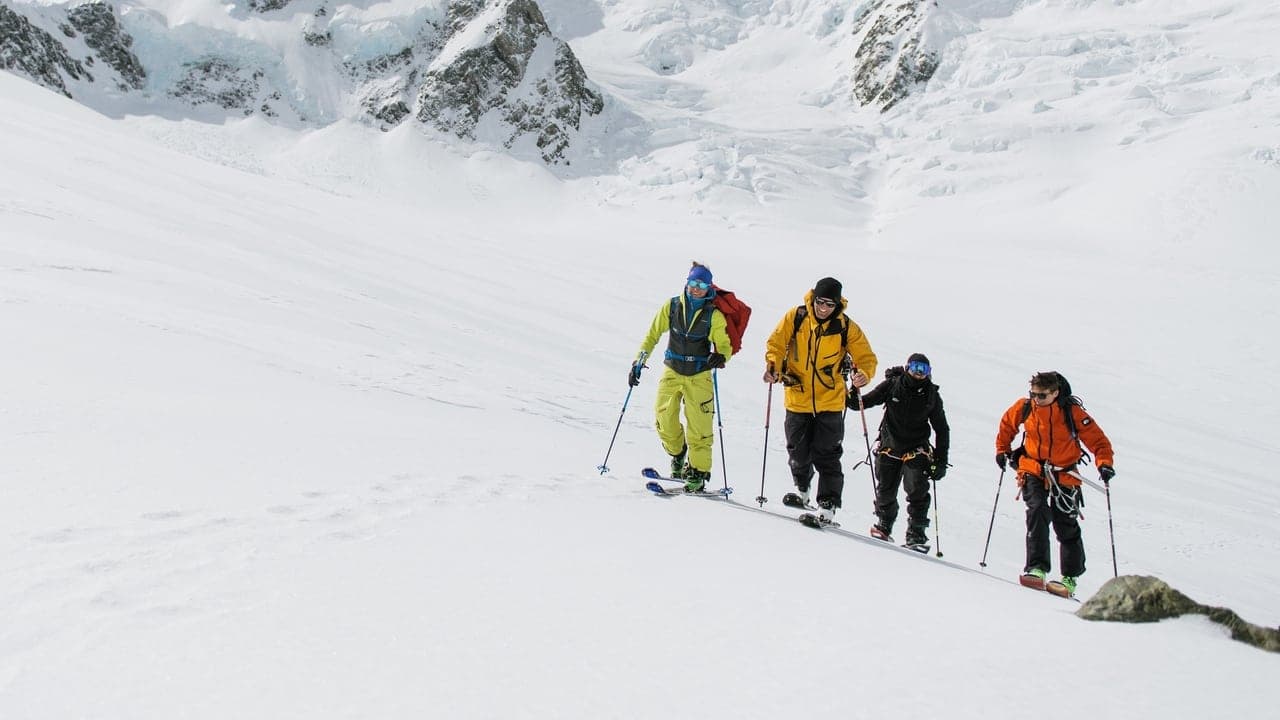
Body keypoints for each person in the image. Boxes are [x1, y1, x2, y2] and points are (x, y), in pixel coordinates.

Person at [763, 277, 877, 525]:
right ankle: (802, 490)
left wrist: (864, 375)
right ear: (813, 298)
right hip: (797, 396)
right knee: (798, 450)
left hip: (831, 400)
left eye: (830, 304)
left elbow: (866, 357)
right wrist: (774, 366)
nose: (823, 308)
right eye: (820, 302)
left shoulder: (846, 327)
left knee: (827, 454)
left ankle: (827, 505)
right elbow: (777, 344)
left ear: (838, 305)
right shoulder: (796, 317)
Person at [995, 371, 1115, 597]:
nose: (1036, 399)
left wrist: (1105, 464)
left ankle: (1069, 577)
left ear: (1055, 393)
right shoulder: (1025, 407)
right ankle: (1037, 568)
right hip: (1032, 468)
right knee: (1037, 511)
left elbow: (1098, 441)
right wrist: (1002, 450)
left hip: (1065, 473)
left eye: (1042, 395)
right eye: (1033, 394)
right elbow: (1006, 426)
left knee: (1065, 523)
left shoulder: (1072, 412)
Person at [630, 262, 734, 492]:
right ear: (686, 283)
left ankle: (697, 472)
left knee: (700, 427)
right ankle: (678, 454)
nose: (696, 288)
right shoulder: (673, 306)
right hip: (673, 369)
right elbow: (652, 335)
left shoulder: (713, 315)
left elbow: (724, 344)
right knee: (663, 417)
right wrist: (639, 361)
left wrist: (721, 356)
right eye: (693, 283)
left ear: (708, 288)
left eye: (701, 285)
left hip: (699, 375)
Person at [854, 353, 949, 548]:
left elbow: (942, 428)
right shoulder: (892, 385)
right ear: (907, 367)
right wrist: (852, 390)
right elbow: (862, 403)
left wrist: (940, 461)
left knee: (916, 488)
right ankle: (884, 525)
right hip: (890, 446)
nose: (919, 374)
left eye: (924, 370)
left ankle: (916, 534)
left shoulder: (931, 395)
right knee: (886, 490)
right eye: (915, 368)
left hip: (916, 449)